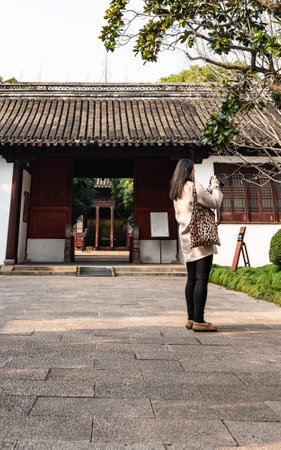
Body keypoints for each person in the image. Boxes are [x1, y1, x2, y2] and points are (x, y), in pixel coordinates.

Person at [170, 159, 223, 332]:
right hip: (201, 239)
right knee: (202, 279)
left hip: (187, 239)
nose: (195, 173)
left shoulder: (176, 192)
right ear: (189, 171)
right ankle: (199, 320)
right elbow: (215, 203)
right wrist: (215, 186)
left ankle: (191, 318)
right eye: (193, 170)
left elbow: (195, 205)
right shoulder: (195, 187)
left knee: (191, 279)